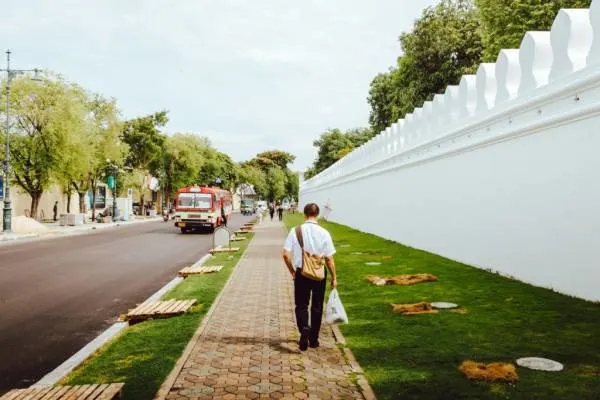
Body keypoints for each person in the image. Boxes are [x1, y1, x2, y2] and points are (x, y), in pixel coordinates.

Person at [282, 203, 337, 351]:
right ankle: (313, 339)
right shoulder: (325, 233)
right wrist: (334, 277)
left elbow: (286, 255)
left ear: (304, 214)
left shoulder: (296, 231)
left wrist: (293, 272)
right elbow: (329, 259)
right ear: (317, 215)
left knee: (301, 305)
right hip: (319, 273)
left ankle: (304, 328)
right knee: (317, 306)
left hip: (302, 272)